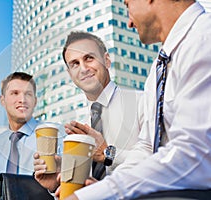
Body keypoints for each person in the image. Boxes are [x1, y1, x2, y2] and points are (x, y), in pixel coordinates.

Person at [64, 0, 211, 199]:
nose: (129, 23)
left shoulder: (204, 38)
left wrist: (100, 191)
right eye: (74, 63)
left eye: (127, 4)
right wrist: (97, 190)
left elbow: (194, 155)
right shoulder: (157, 72)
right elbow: (147, 150)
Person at [34, 31, 143, 192]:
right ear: (70, 73)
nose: (83, 69)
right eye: (75, 64)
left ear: (106, 60)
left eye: (89, 58)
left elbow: (165, 160)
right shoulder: (78, 127)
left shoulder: (142, 102)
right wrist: (59, 181)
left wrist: (108, 153)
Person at [0, 72, 63, 199]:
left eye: (28, 94)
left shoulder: (57, 135)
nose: (22, 100)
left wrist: (56, 186)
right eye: (15, 93)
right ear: (2, 100)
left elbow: (75, 190)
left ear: (35, 101)